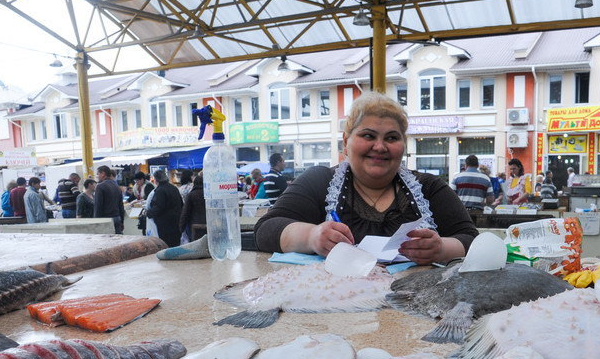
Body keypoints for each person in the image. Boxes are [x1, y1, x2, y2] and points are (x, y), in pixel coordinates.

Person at [254, 91, 477, 265]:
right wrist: (312, 236)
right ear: (346, 142)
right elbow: (265, 230)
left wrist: (442, 249)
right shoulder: (319, 181)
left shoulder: (428, 188)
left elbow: (472, 239)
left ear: (403, 146)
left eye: (391, 137)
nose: (379, 147)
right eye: (368, 135)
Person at [146, 169, 184, 248]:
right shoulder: (174, 188)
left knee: (166, 245)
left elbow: (158, 206)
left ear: (156, 179)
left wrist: (148, 213)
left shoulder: (160, 190)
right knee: (175, 244)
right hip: (176, 221)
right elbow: (181, 203)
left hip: (165, 224)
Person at [94, 165, 125, 234]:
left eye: (98, 174)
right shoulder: (117, 187)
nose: (97, 176)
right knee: (118, 240)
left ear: (103, 174)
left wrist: (96, 221)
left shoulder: (99, 187)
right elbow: (121, 206)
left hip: (106, 219)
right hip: (117, 217)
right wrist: (122, 221)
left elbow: (98, 205)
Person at [180, 173, 206, 241]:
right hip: (208, 224)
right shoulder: (208, 194)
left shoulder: (191, 195)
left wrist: (181, 227)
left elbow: (185, 212)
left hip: (195, 225)